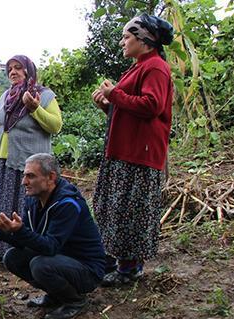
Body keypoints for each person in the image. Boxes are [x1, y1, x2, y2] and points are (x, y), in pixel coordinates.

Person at [0, 154, 107, 319]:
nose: (24, 182)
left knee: (40, 265)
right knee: (12, 257)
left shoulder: (68, 204)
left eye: (30, 176)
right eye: (24, 175)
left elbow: (50, 247)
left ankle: (74, 301)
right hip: (62, 260)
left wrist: (20, 231)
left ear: (51, 178)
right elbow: (24, 241)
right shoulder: (34, 200)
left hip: (87, 270)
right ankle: (56, 295)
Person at [91, 14, 174, 286]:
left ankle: (129, 268)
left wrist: (114, 94)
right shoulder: (139, 67)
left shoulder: (155, 68)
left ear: (145, 40)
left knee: (130, 211)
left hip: (139, 154)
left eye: (127, 37)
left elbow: (152, 105)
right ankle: (116, 262)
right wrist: (108, 105)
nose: (122, 42)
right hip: (125, 151)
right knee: (118, 208)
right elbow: (130, 110)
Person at [0, 55, 62, 264]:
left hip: (27, 163)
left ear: (29, 71)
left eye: (18, 68)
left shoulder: (44, 96)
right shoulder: (5, 96)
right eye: (10, 69)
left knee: (22, 208)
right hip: (0, 162)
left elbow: (55, 126)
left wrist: (35, 109)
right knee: (0, 205)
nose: (13, 72)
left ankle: (22, 250)